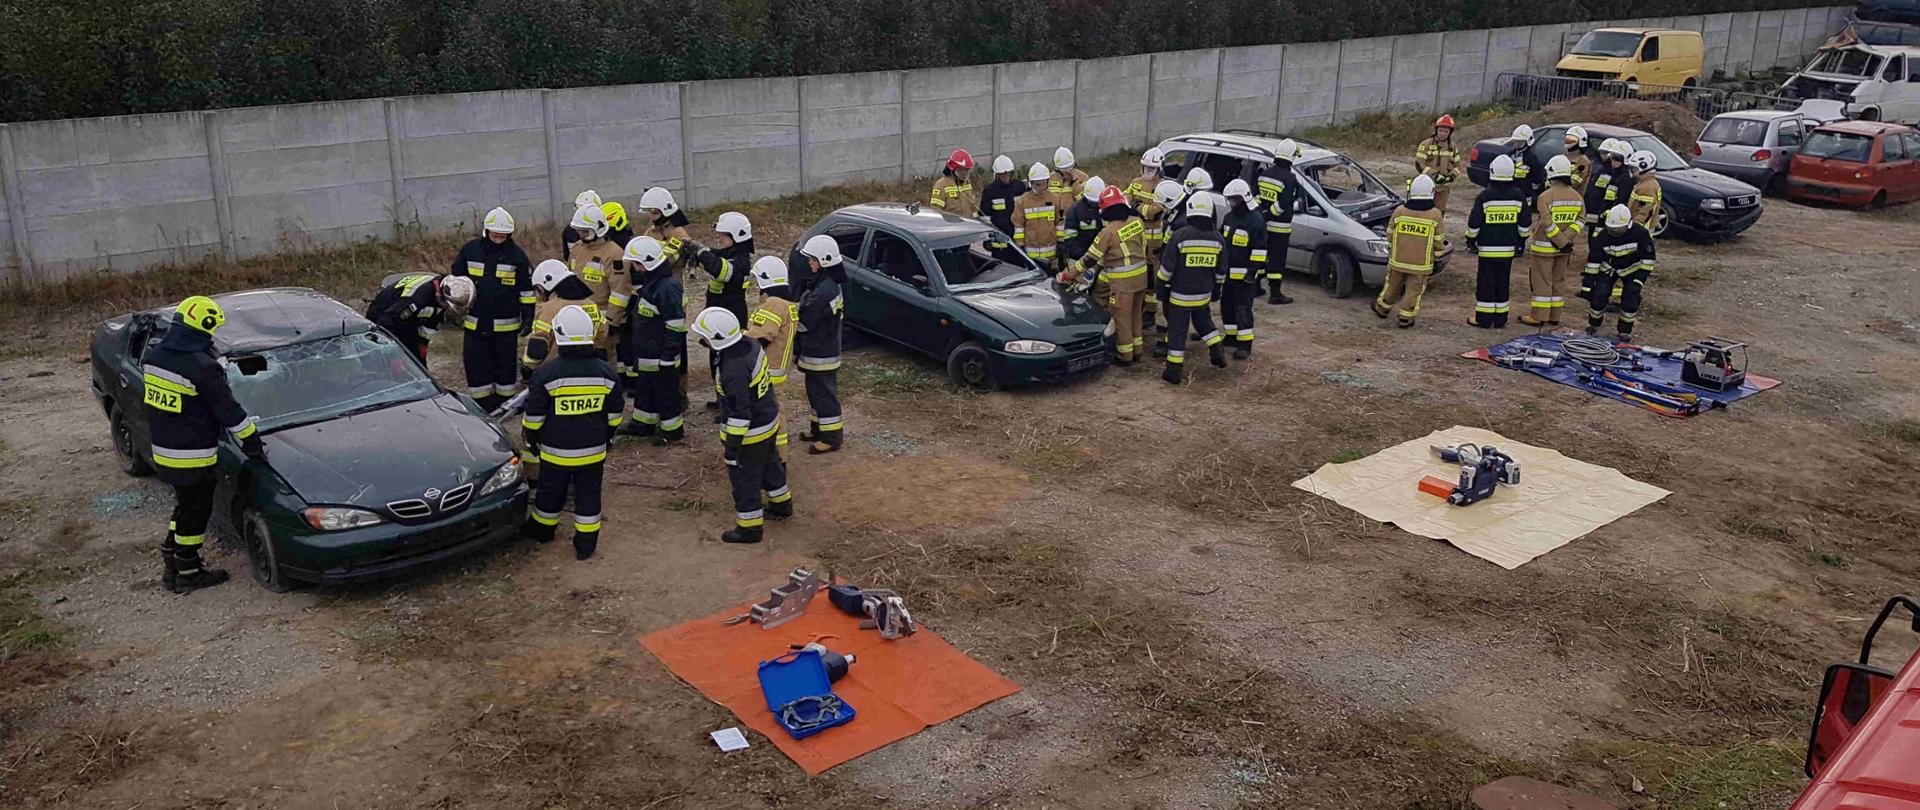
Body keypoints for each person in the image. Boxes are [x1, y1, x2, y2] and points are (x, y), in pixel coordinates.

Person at [145, 296, 263, 593]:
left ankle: (172, 562)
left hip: (164, 451)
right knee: (196, 513)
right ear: (202, 329)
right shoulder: (201, 367)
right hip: (193, 456)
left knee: (184, 507)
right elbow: (230, 413)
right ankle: (189, 572)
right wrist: (252, 442)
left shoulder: (156, 356)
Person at [521, 306, 623, 561]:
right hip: (593, 453)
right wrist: (608, 436)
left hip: (556, 453)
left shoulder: (547, 373)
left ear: (558, 335)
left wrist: (531, 437)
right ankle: (586, 544)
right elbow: (615, 414)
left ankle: (543, 531)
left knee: (549, 493)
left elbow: (534, 415)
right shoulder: (606, 372)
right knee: (589, 496)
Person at [691, 307, 792, 545]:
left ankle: (749, 528)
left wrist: (732, 447)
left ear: (717, 339)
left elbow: (739, 413)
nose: (701, 340)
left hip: (750, 433)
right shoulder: (750, 345)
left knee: (745, 479)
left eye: (705, 336)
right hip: (768, 421)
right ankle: (782, 503)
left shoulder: (732, 370)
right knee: (770, 464)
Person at [451, 207, 533, 413]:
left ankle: (505, 404)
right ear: (486, 232)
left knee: (505, 368)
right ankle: (481, 405)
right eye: (495, 236)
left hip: (506, 325)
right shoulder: (470, 251)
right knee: (477, 365)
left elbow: (526, 290)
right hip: (475, 323)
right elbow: (456, 282)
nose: (498, 239)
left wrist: (528, 317)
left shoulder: (517, 257)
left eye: (502, 236)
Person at [1064, 185, 1150, 365]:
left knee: (1121, 319)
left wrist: (1069, 274)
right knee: (1136, 315)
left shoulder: (1107, 232)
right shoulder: (1136, 221)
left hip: (1122, 284)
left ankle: (1125, 356)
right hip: (1141, 278)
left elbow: (1089, 259)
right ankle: (1138, 351)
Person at [1155, 194, 1228, 383]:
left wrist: (1161, 287)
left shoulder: (1180, 236)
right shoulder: (1218, 239)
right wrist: (1217, 290)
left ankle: (1173, 371)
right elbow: (1221, 270)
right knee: (1205, 324)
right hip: (1203, 295)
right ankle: (1218, 352)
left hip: (1180, 296)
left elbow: (1167, 268)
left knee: (1177, 333)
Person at [622, 236, 688, 445]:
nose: (633, 268)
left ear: (646, 263)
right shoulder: (653, 283)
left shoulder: (667, 287)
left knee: (666, 394)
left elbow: (676, 326)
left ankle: (672, 431)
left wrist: (668, 357)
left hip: (662, 356)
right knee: (645, 390)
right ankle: (643, 424)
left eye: (635, 263)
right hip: (649, 354)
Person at [1463, 155, 1531, 329]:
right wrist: (1521, 241)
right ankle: (1500, 319)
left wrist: (1471, 240)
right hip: (1508, 250)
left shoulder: (1485, 196)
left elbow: (1474, 222)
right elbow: (1525, 223)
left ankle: (1484, 319)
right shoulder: (1518, 196)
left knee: (1486, 283)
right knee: (1503, 283)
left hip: (1486, 250)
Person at [795, 236, 847, 453]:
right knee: (815, 392)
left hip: (820, 352)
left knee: (824, 395)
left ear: (824, 261)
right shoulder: (826, 284)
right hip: (820, 348)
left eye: (812, 259)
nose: (809, 263)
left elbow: (805, 321)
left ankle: (832, 438)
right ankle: (818, 429)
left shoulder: (825, 291)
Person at [1519, 155, 1585, 327]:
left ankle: (1539, 316)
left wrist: (1560, 240)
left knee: (1542, 281)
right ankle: (1555, 316)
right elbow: (1580, 220)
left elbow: (1547, 223)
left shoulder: (1545, 197)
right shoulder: (1578, 197)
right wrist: (1567, 238)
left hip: (1545, 248)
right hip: (1564, 249)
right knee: (1558, 280)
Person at [1370, 175, 1444, 328]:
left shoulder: (1400, 211)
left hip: (1398, 260)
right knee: (1413, 291)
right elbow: (1438, 240)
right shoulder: (1435, 215)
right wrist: (1437, 258)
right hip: (1420, 265)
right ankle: (1405, 317)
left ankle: (1382, 308)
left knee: (1392, 285)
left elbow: (1389, 234)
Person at [747, 256, 800, 448]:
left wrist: (736, 338)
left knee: (771, 414)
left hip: (769, 369)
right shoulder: (787, 304)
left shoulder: (774, 304)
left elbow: (759, 336)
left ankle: (777, 458)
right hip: (779, 368)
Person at [365, 273, 474, 365]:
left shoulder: (440, 293)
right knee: (389, 366)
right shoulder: (419, 297)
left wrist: (423, 346)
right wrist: (393, 355)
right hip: (382, 318)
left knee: (418, 365)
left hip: (405, 321)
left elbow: (431, 324)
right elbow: (386, 323)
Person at [1583, 204, 1655, 340]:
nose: (1614, 233)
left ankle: (1624, 331)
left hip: (1632, 269)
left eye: (1617, 230)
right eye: (1612, 229)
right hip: (1609, 267)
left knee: (1630, 299)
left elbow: (1648, 260)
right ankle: (1593, 324)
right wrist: (1587, 285)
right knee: (1599, 295)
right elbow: (1594, 260)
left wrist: (1638, 281)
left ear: (1628, 225)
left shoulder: (1640, 234)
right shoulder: (1603, 235)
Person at [524, 259, 603, 375]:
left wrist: (528, 368)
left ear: (545, 286)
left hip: (555, 374)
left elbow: (537, 349)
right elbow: (603, 343)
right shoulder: (593, 306)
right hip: (591, 372)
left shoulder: (548, 310)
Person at [1217, 178, 1267, 358]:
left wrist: (1252, 273)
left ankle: (1245, 345)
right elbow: (1221, 240)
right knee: (1226, 306)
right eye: (1229, 199)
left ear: (1243, 199)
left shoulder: (1255, 221)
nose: (1230, 203)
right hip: (1228, 274)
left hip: (1245, 277)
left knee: (1243, 309)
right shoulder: (1229, 217)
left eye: (1233, 200)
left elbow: (1260, 250)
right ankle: (1231, 337)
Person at [1256, 138, 1302, 305]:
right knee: (1277, 259)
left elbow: (1257, 198)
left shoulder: (1264, 174)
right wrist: (1270, 214)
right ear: (1291, 157)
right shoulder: (1290, 178)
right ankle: (1275, 294)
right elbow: (1283, 203)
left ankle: (1255, 287)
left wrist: (1261, 216)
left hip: (1261, 224)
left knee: (1260, 255)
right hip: (1280, 227)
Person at [1138, 179, 1182, 335]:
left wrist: (1139, 207)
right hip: (1163, 255)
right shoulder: (1176, 213)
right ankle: (1172, 330)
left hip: (1174, 265)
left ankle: (1173, 337)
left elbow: (1154, 212)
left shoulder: (1180, 219)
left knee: (1173, 302)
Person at [1013, 162, 1061, 273]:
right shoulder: (1022, 201)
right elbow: (1018, 225)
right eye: (1037, 185)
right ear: (1031, 184)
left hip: (1051, 254)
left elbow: (1060, 221)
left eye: (1043, 184)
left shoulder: (1055, 199)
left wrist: (1061, 242)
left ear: (1047, 182)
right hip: (1031, 254)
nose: (1040, 187)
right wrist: (1020, 245)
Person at [979, 155, 1025, 263]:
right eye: (1003, 175)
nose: (1006, 177)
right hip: (999, 244)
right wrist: (986, 239)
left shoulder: (1020, 187)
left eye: (1008, 174)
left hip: (1018, 240)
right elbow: (984, 217)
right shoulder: (989, 191)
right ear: (997, 175)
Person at [1414, 114, 1462, 216]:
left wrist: (1451, 176)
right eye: (1440, 131)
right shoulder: (1426, 145)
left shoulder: (1452, 148)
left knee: (1439, 213)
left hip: (1443, 188)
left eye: (1446, 131)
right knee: (1424, 212)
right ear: (1436, 130)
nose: (1443, 134)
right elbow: (1419, 164)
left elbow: (1458, 166)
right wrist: (1434, 175)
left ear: (1450, 132)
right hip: (1426, 187)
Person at [1584, 138, 1633, 229]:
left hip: (1608, 219)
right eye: (1612, 157)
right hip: (1596, 216)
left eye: (1617, 158)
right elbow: (1596, 192)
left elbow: (1620, 201)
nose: (1613, 161)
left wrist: (1606, 214)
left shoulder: (1624, 179)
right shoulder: (1607, 172)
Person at [1059, 177, 1107, 266]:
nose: (1095, 205)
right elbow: (1070, 239)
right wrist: (1086, 256)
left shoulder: (1107, 209)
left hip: (1102, 257)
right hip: (1079, 258)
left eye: (1097, 202)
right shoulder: (1075, 211)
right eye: (1092, 202)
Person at [1048, 147, 1090, 239]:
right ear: (1057, 169)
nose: (1069, 171)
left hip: (1074, 225)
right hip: (1054, 227)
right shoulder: (1049, 179)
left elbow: (1085, 202)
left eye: (1070, 168)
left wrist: (1075, 184)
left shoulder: (1082, 177)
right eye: (1065, 169)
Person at [930, 149, 979, 215]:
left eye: (967, 170)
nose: (965, 173)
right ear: (952, 169)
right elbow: (936, 211)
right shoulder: (941, 185)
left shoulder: (966, 183)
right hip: (951, 225)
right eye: (961, 170)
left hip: (969, 224)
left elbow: (973, 207)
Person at [1626, 150, 1662, 232]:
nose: (1632, 171)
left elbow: (1646, 210)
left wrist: (1636, 225)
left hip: (1641, 228)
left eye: (1634, 169)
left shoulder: (1647, 187)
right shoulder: (1647, 182)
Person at [1506, 125, 1541, 202]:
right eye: (1516, 141)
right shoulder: (1509, 155)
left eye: (1520, 142)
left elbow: (1538, 178)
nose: (1517, 144)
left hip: (1525, 196)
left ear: (1528, 141)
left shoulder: (1531, 158)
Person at [1563, 126, 1594, 195]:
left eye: (1572, 139)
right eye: (1567, 138)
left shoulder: (1583, 161)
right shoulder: (1564, 157)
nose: (1568, 141)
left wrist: (1557, 185)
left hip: (1573, 200)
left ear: (1580, 142)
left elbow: (1574, 183)